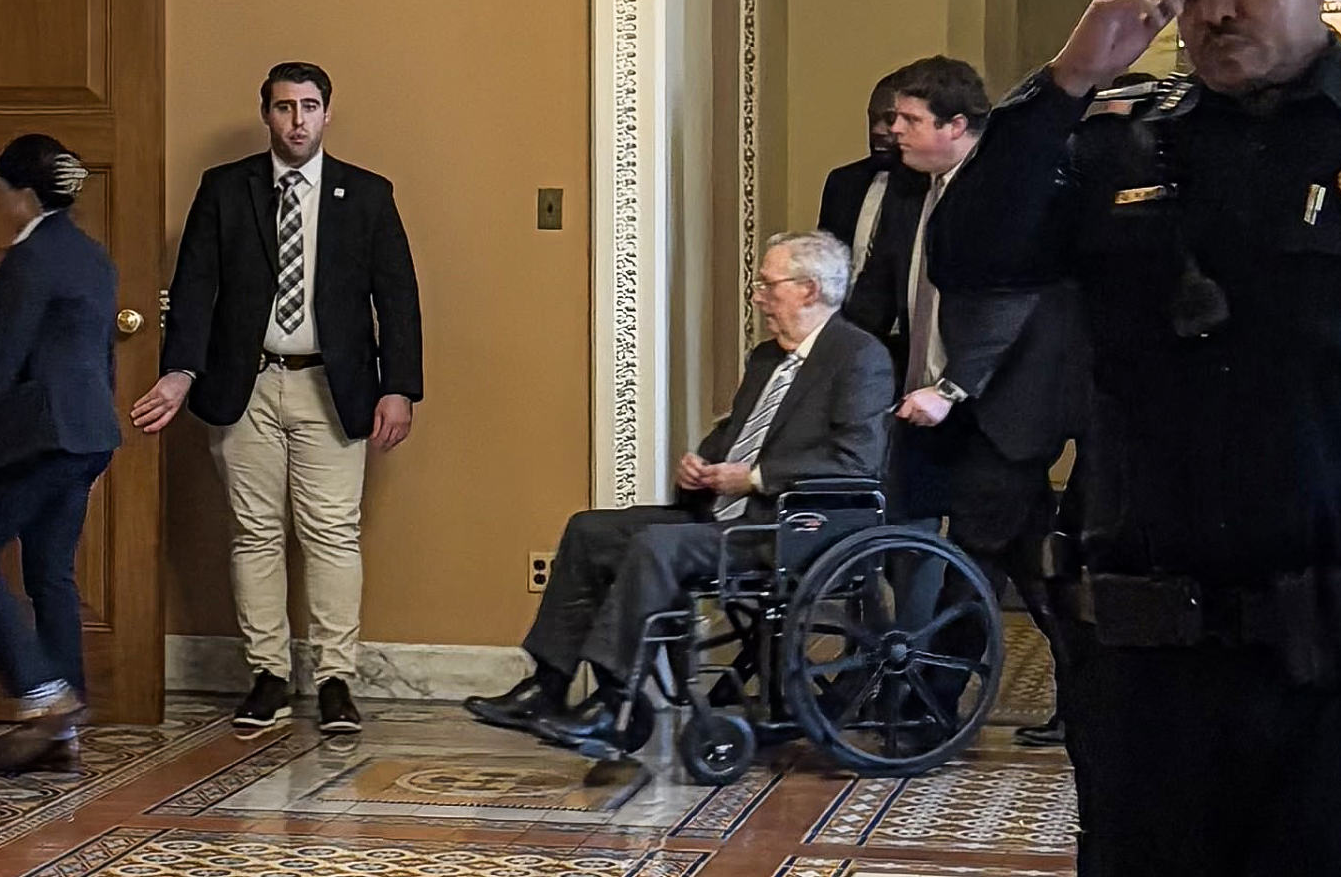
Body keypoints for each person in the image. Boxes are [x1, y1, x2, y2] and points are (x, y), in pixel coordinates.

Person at [928, 0, 1341, 872]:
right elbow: (974, 255)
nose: (1213, 10)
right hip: (1146, 673)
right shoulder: (1115, 142)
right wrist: (1068, 77)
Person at [464, 231, 894, 754]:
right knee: (590, 529)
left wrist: (755, 478)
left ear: (807, 289)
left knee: (656, 546)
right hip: (724, 517)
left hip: (789, 529)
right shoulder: (767, 359)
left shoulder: (859, 357)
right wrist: (701, 465)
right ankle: (548, 686)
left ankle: (614, 701)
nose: (758, 296)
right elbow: (735, 432)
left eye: (767, 285)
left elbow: (855, 460)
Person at [131, 61, 423, 734]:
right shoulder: (225, 190)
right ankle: (267, 674)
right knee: (255, 533)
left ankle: (334, 680)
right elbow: (195, 286)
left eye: (310, 106)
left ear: (329, 113)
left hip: (335, 384)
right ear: (266, 114)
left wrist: (399, 387)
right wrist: (181, 371)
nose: (297, 121)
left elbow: (397, 298)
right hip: (246, 382)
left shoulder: (368, 195)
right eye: (284, 107)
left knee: (332, 533)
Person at [846, 56, 1084, 747]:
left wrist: (953, 389)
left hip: (1005, 407)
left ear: (956, 125)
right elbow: (878, 293)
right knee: (1032, 564)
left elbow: (1014, 308)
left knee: (974, 554)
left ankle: (929, 709)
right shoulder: (906, 192)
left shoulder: (1003, 187)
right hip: (937, 408)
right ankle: (1094, 696)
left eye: (909, 119)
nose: (893, 131)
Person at [0, 134, 120, 772]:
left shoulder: (28, 260)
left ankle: (43, 694)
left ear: (20, 194)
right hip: (88, 435)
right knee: (50, 572)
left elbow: (3, 362)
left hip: (35, 438)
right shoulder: (93, 257)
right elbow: (100, 357)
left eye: (3, 192)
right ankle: (63, 734)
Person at [817, 70, 929, 283]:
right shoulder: (843, 183)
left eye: (889, 119)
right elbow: (824, 264)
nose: (877, 130)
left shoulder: (930, 188)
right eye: (872, 119)